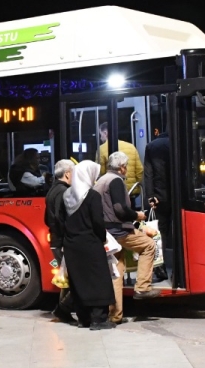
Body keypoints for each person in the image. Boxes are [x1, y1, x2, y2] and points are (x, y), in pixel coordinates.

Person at [95, 150, 157, 324]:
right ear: (122, 168)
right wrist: (137, 215)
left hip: (107, 233)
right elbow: (120, 210)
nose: (127, 169)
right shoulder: (115, 181)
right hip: (119, 231)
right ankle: (142, 287)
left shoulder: (101, 180)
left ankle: (115, 315)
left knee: (116, 272)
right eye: (127, 166)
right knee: (149, 245)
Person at [60, 161, 115, 330]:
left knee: (79, 282)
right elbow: (98, 222)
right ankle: (99, 320)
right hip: (90, 244)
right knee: (98, 281)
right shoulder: (92, 196)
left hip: (71, 245)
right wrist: (103, 237)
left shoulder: (67, 196)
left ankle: (84, 319)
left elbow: (61, 221)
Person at [44, 159, 75, 322]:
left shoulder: (51, 190)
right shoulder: (64, 192)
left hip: (55, 240)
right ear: (68, 173)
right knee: (76, 279)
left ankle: (63, 310)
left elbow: (47, 219)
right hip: (62, 241)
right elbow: (61, 218)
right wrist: (66, 240)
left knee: (68, 278)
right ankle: (62, 308)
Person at [143, 132, 172, 277]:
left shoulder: (151, 146)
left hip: (160, 197)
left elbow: (148, 174)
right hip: (178, 196)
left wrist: (150, 196)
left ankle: (160, 267)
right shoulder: (175, 142)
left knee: (160, 233)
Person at [97, 122, 143, 195]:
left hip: (112, 191)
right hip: (131, 190)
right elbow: (139, 171)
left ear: (105, 133)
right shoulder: (131, 146)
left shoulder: (101, 149)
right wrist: (133, 185)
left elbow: (100, 173)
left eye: (100, 134)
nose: (100, 137)